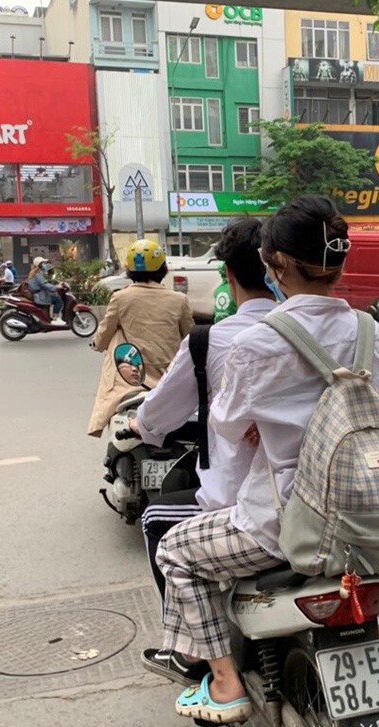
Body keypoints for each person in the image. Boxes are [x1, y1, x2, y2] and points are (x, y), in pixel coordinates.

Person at [154, 195, 379, 723]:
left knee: (175, 551)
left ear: (277, 264)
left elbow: (225, 423)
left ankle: (222, 681)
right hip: (363, 517)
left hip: (284, 523)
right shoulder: (365, 329)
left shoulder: (260, 340)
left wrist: (262, 428)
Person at [130, 218, 275, 678]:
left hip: (247, 509)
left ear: (228, 276)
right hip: (323, 503)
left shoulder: (215, 341)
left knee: (157, 523)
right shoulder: (320, 332)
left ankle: (196, 654)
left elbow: (157, 419)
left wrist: (142, 424)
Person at [87, 239, 192, 437]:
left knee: (117, 334)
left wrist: (98, 344)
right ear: (163, 269)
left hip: (132, 380)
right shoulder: (179, 300)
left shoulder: (121, 298)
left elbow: (105, 333)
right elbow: (189, 337)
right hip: (169, 377)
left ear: (130, 271)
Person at [27, 257, 64, 324]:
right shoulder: (37, 274)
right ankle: (55, 319)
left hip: (40, 294)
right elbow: (44, 284)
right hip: (40, 296)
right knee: (58, 300)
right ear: (40, 264)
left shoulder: (36, 272)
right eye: (44, 263)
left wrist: (54, 283)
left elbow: (44, 282)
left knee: (55, 297)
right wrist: (56, 287)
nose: (46, 265)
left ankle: (50, 318)